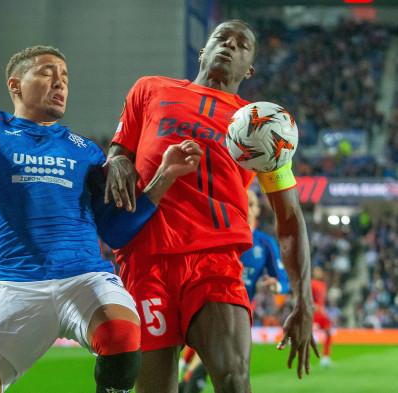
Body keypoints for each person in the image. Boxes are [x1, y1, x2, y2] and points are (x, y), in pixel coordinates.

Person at [0, 45, 203, 393]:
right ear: (15, 85)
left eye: (65, 77)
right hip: (14, 285)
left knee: (121, 336)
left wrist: (165, 175)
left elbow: (115, 231)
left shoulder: (87, 151)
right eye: (48, 72)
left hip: (84, 277)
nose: (60, 83)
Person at [104, 19, 319, 393]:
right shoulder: (151, 89)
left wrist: (304, 300)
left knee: (234, 379)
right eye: (221, 38)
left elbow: (288, 216)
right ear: (203, 51)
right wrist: (118, 157)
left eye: (241, 45)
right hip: (145, 258)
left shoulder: (264, 127)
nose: (229, 46)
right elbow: (119, 151)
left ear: (249, 69)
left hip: (215, 259)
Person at [178, 188, 291, 392]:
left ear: (257, 210)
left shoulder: (264, 244)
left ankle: (186, 379)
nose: (246, 207)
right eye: (242, 201)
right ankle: (186, 377)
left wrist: (277, 286)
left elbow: (284, 280)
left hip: (239, 311)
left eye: (251, 204)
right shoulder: (218, 234)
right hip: (206, 303)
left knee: (222, 369)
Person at [312, 266, 333, 367]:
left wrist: (324, 312)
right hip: (312, 313)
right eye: (316, 271)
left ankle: (325, 358)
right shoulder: (311, 283)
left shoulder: (323, 285)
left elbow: (322, 301)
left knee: (328, 332)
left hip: (321, 314)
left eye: (319, 271)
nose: (318, 273)